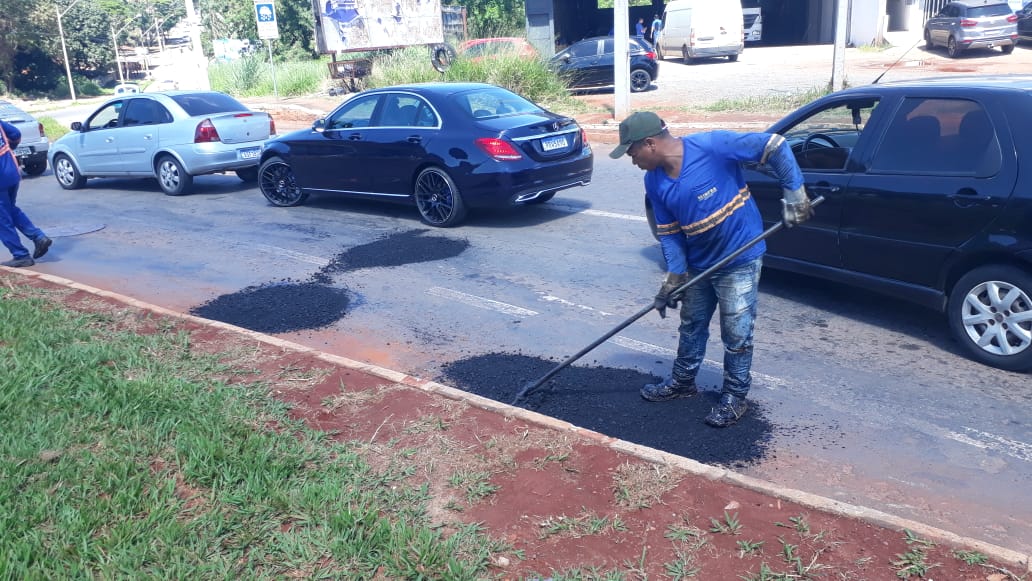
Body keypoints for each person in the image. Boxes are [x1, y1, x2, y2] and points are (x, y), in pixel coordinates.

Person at [609, 112, 812, 428]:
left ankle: (734, 397)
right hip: (700, 263)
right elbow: (671, 234)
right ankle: (683, 382)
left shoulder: (713, 146)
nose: (632, 160)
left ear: (649, 143)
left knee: (737, 332)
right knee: (691, 324)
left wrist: (795, 191)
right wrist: (674, 279)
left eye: (632, 152)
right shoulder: (654, 181)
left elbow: (775, 145)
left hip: (740, 259)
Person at [0, 120, 51, 268]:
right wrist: (9, 148)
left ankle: (21, 255)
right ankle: (38, 237)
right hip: (12, 172)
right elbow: (15, 134)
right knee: (10, 210)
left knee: (2, 220)